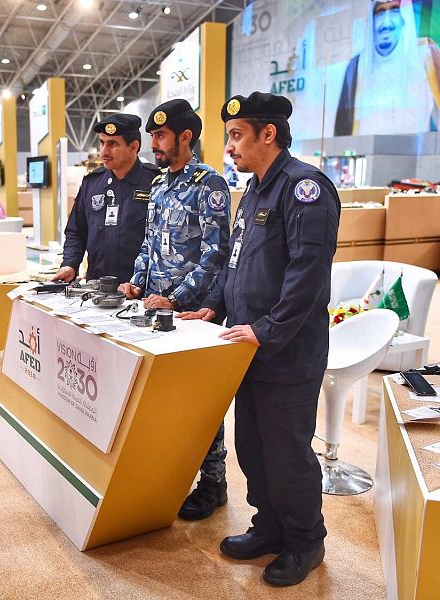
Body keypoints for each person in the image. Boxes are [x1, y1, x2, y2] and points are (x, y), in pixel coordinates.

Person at [180, 91, 340, 586]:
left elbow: (306, 276)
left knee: (287, 453)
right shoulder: (253, 190)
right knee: (253, 448)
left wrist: (267, 330)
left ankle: (305, 541)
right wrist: (216, 306)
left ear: (267, 134)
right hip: (245, 346)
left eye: (236, 135)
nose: (228, 147)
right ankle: (269, 526)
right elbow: (237, 262)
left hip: (286, 352)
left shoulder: (304, 188)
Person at [118, 99, 231, 521]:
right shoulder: (160, 184)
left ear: (186, 136)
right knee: (163, 398)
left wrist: (178, 298)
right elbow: (149, 243)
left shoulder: (210, 183)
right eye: (152, 136)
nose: (154, 144)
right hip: (154, 306)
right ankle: (170, 472)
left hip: (193, 312)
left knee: (201, 402)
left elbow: (216, 252)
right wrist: (136, 281)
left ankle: (214, 483)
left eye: (161, 136)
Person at [52, 113, 159, 284]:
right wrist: (70, 264)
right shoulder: (92, 183)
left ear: (133, 147)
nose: (103, 152)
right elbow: (76, 231)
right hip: (97, 286)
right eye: (102, 143)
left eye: (112, 144)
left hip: (140, 288)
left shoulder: (155, 183)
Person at [335, 0, 439, 136]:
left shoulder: (426, 53)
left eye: (395, 10)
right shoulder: (356, 67)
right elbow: (342, 130)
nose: (386, 23)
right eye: (380, 12)